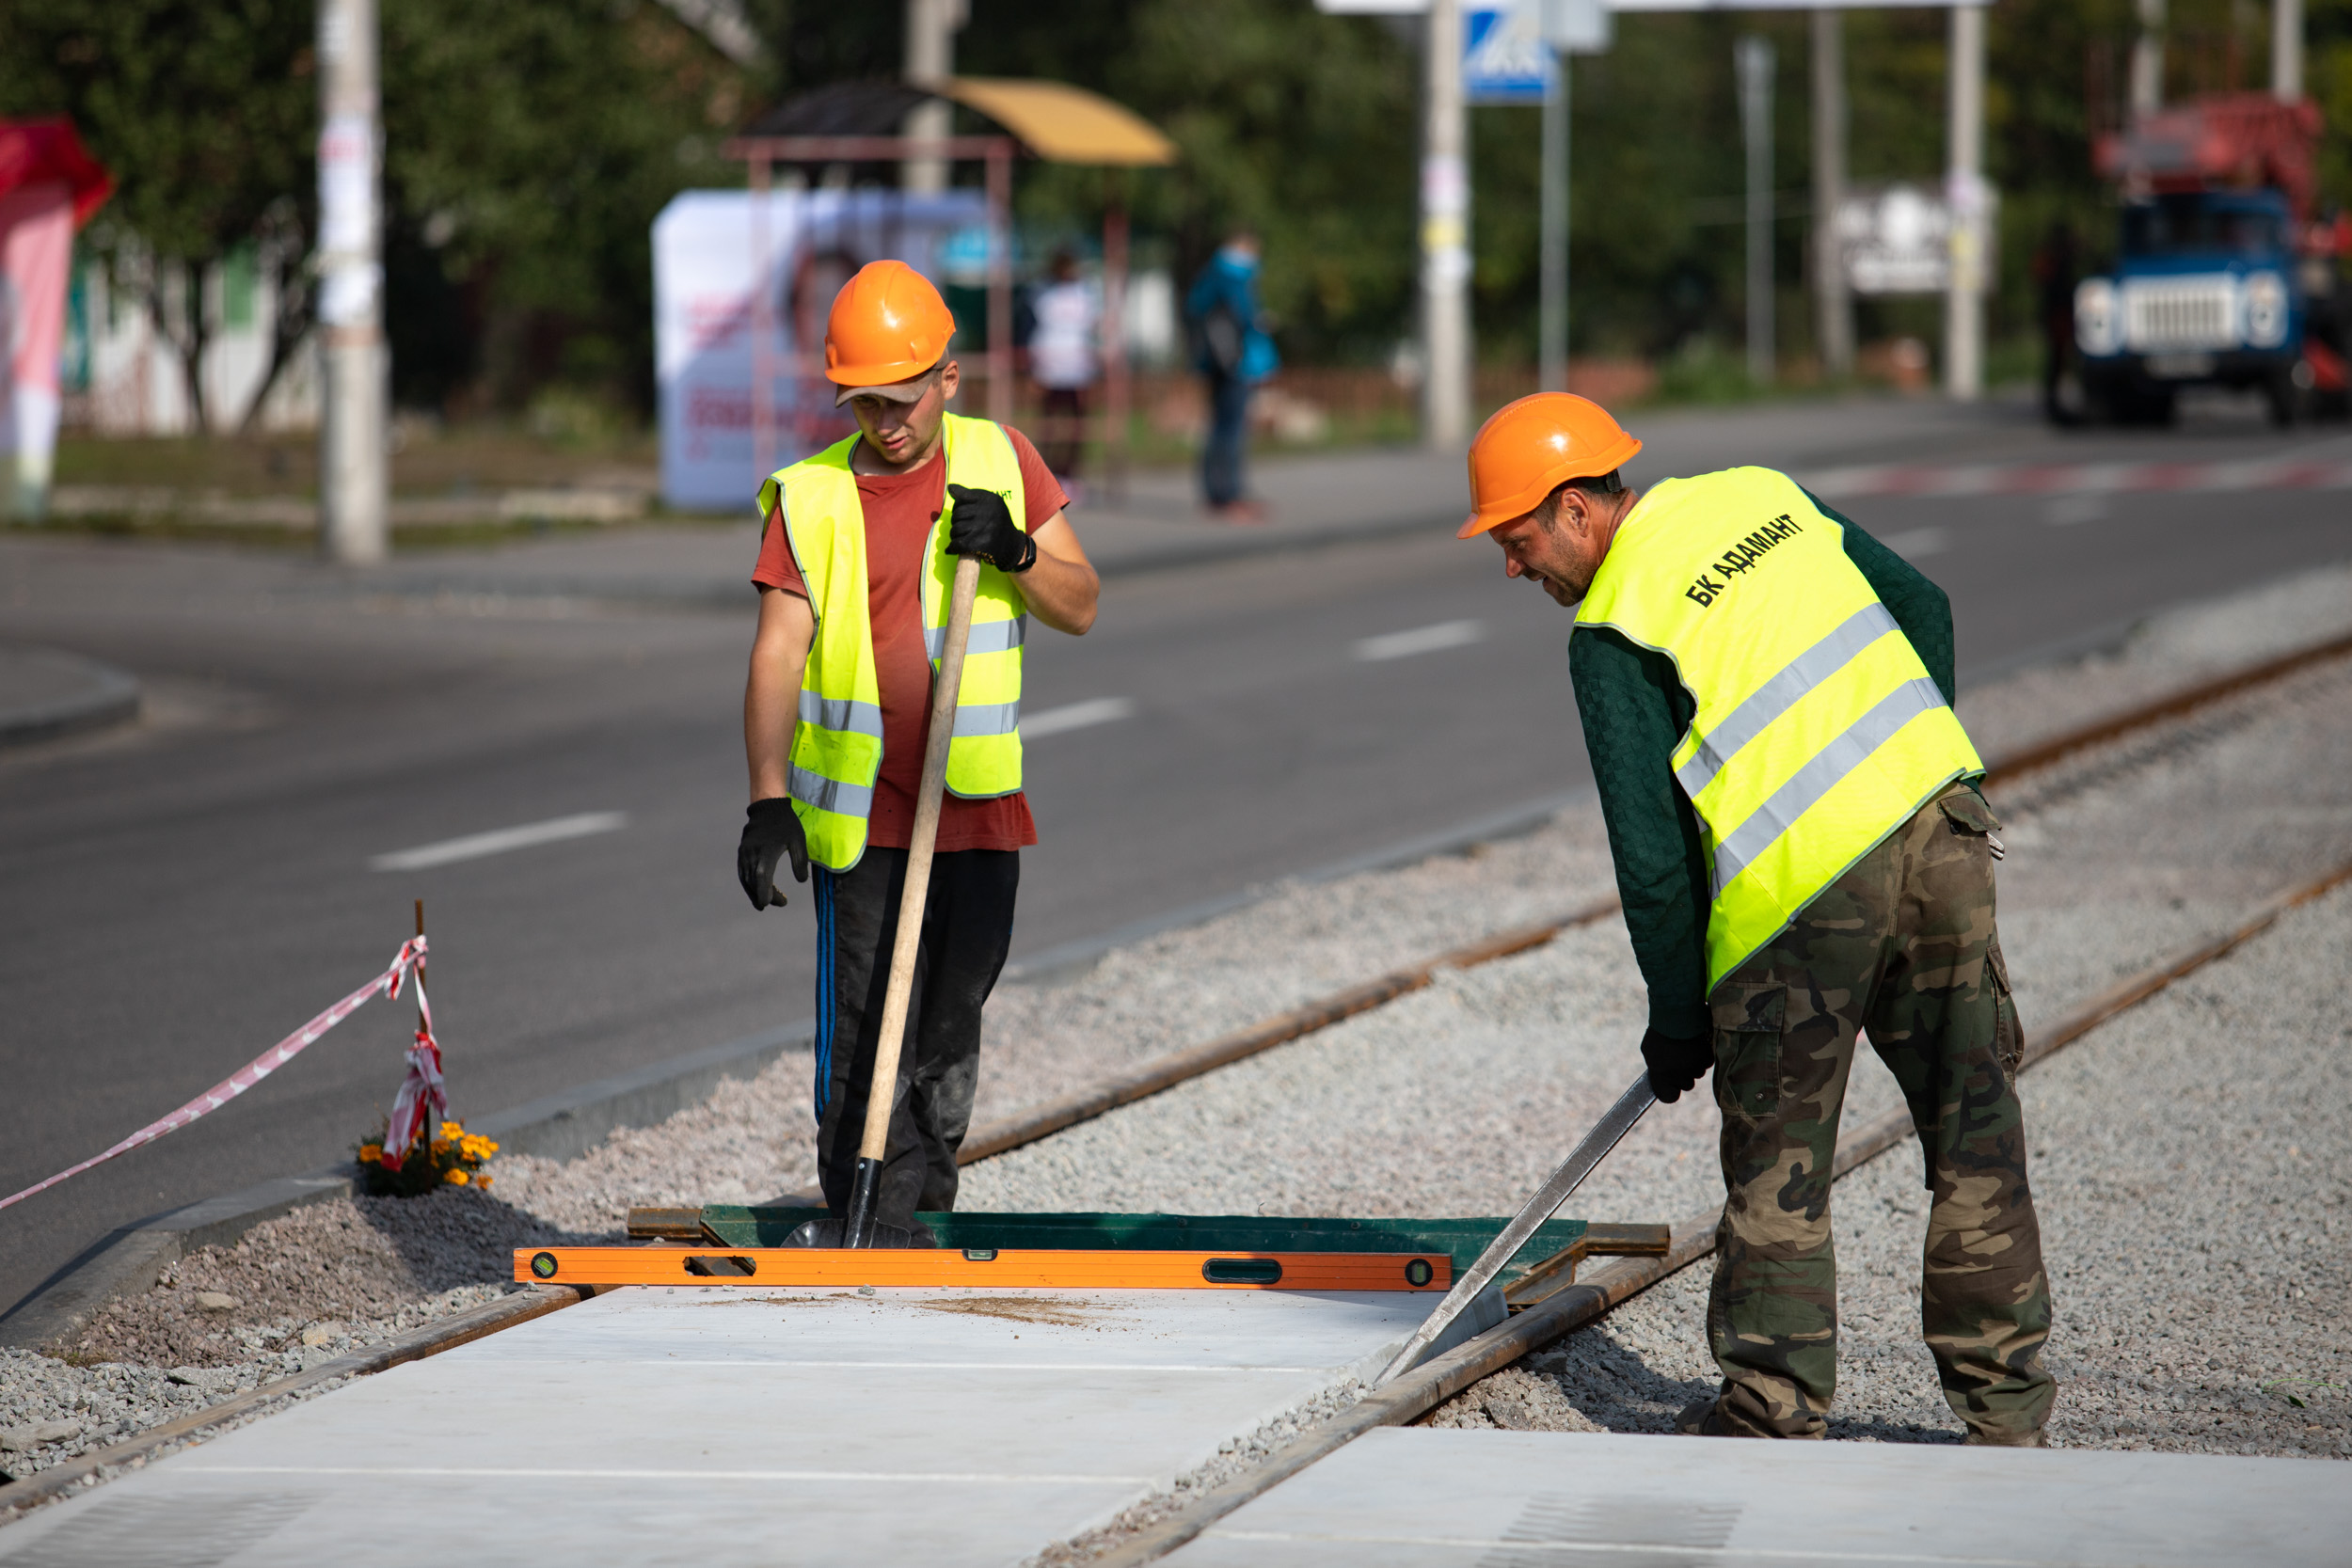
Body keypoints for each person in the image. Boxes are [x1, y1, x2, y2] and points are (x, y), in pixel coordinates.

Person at [1460, 392, 2055, 1446]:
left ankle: (1772, 1409)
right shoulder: (1761, 494)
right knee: (1975, 1132)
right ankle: (2006, 1409)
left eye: (1516, 540)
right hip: (1941, 832)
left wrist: (1677, 1015)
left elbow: (1652, 861)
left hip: (1803, 901)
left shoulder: (1611, 627)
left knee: (1781, 1171)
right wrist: (1902, 768)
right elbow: (1924, 607)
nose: (1512, 567)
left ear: (1575, 510)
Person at [737, 260, 1100, 1241]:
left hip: (977, 807)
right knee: (864, 1031)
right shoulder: (810, 495)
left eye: (901, 398)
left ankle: (922, 1213)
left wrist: (1019, 550)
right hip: (863, 821)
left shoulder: (1003, 460)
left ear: (948, 376)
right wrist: (767, 797)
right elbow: (778, 652)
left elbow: (1081, 605)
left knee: (948, 1024)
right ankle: (865, 1219)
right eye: (864, 401)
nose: (885, 421)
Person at [1185, 230, 1278, 520]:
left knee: (1224, 427)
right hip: (1233, 362)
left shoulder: (1214, 274)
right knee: (1230, 429)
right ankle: (1227, 494)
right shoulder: (1230, 276)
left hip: (1220, 361)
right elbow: (1242, 316)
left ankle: (1223, 492)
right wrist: (1258, 322)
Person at [1026, 249, 1100, 487]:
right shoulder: (1043, 293)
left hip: (1077, 366)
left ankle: (1070, 473)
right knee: (1049, 423)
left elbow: (1093, 325)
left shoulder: (1085, 293)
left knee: (1077, 423)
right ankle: (1047, 471)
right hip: (1050, 365)